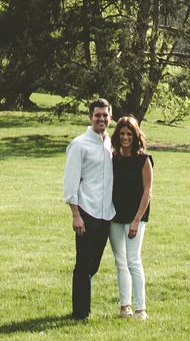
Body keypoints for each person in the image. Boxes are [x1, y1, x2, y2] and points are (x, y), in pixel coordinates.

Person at [62, 96, 117, 320]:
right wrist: (76, 215)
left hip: (106, 214)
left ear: (110, 117)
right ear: (90, 117)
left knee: (93, 264)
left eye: (105, 115)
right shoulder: (79, 145)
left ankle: (81, 308)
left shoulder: (109, 144)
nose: (101, 119)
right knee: (83, 264)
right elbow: (71, 183)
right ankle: (80, 313)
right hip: (86, 211)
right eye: (97, 115)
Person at [108, 113, 154, 320]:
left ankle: (140, 309)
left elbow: (147, 191)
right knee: (120, 261)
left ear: (136, 136)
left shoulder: (144, 159)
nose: (125, 137)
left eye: (129, 134)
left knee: (133, 260)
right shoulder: (113, 158)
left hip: (136, 216)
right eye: (122, 133)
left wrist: (136, 220)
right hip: (115, 216)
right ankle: (124, 307)